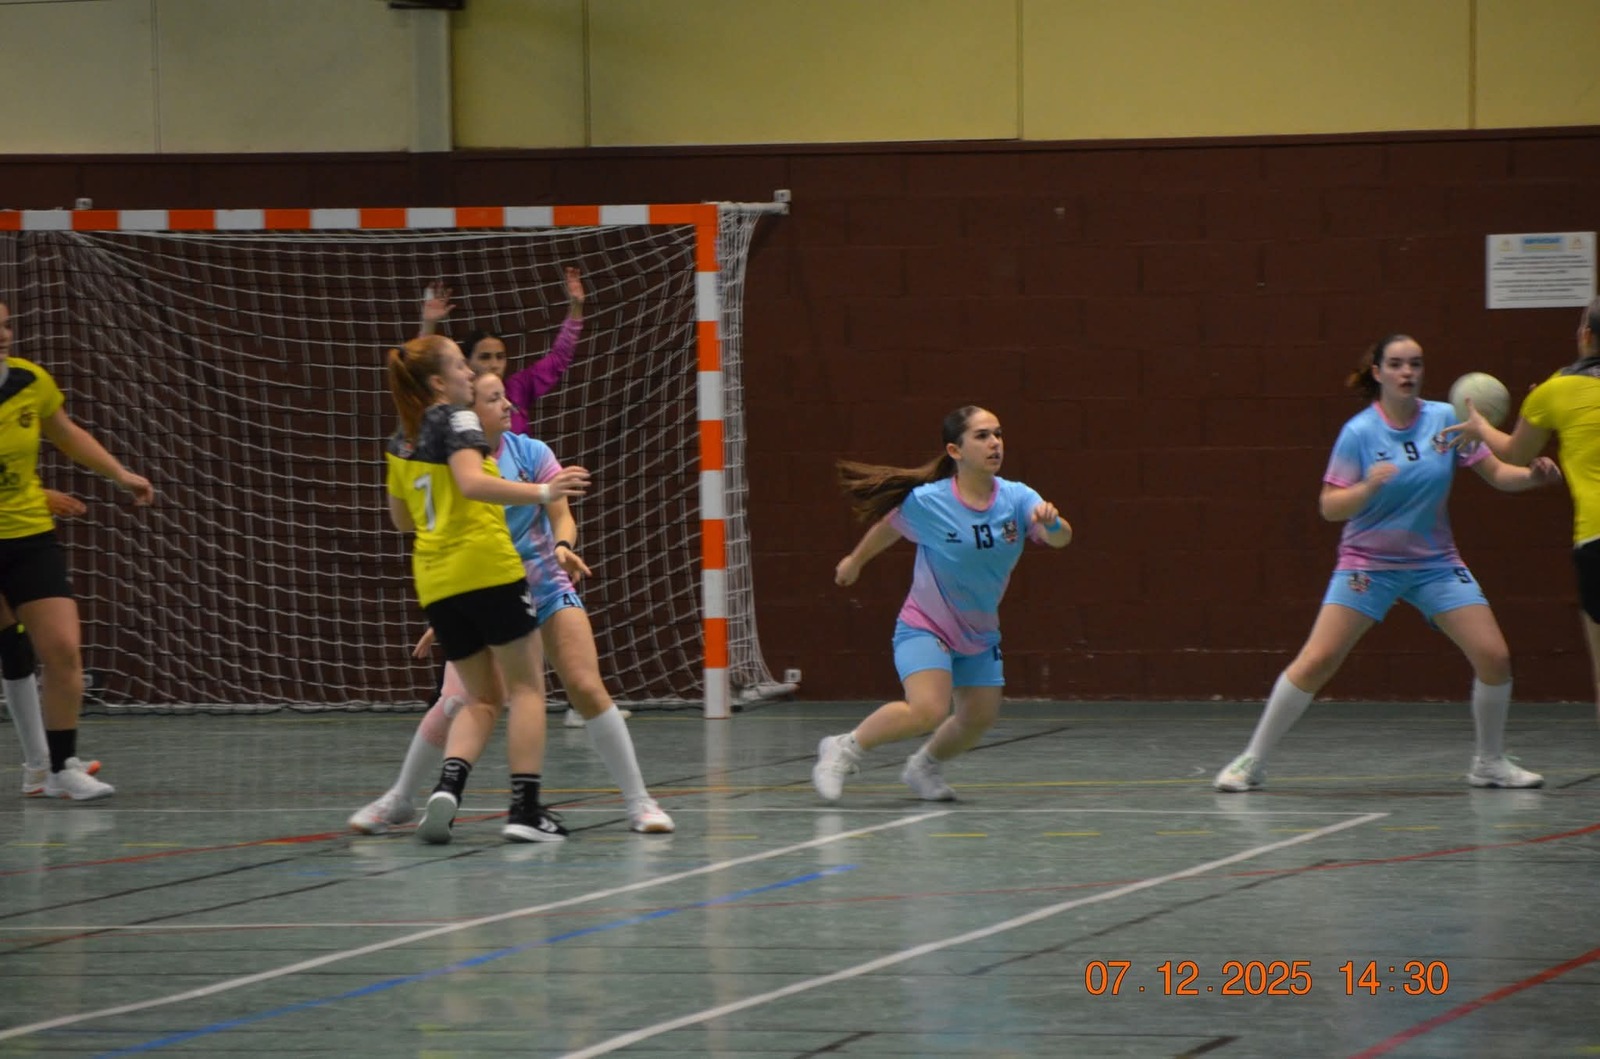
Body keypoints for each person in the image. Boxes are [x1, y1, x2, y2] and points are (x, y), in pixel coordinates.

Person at [1215, 334, 1560, 794]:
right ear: (1378, 372)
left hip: (1435, 564)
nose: (1407, 373)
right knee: (1317, 660)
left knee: (1494, 657)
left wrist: (1532, 476)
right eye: (1396, 364)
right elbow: (1329, 507)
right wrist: (1367, 488)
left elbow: (1497, 473)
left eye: (1415, 364)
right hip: (1368, 565)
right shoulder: (1359, 433)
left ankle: (1489, 763)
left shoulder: (1445, 418)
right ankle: (1251, 761)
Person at [351, 371, 673, 835]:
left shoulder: (530, 452)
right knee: (456, 699)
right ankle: (399, 799)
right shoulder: (454, 465)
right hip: (490, 593)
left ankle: (640, 802)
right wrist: (451, 611)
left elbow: (561, 514)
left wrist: (562, 546)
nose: (508, 405)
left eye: (505, 396)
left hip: (544, 587)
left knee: (585, 685)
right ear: (468, 412)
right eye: (494, 398)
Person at [384, 334, 589, 843]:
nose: (470, 374)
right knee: (527, 690)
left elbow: (402, 519)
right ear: (438, 382)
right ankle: (525, 810)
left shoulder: (402, 437)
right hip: (487, 567)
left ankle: (448, 788)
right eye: (461, 366)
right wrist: (545, 490)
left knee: (481, 697)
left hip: (436, 581)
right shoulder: (459, 420)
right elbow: (473, 483)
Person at [812, 406, 1072, 802]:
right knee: (928, 710)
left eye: (998, 434)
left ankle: (924, 766)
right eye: (982, 436)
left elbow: (1061, 538)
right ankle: (843, 748)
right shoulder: (929, 501)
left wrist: (1052, 523)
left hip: (979, 632)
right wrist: (855, 561)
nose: (995, 443)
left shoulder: (1019, 498)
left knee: (978, 718)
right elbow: (888, 527)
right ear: (955, 450)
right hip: (926, 625)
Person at [419, 271, 613, 730]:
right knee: (466, 701)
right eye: (482, 359)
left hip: (533, 558)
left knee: (572, 686)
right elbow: (422, 384)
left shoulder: (528, 441)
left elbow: (558, 361)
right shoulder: (456, 451)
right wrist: (428, 327)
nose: (503, 399)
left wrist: (576, 310)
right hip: (485, 568)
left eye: (499, 358)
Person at [0, 300, 153, 800]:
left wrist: (120, 475)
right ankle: (36, 764)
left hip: (29, 537)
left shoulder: (30, 381)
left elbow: (66, 433)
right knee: (10, 646)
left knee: (63, 648)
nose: (3, 335)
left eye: (5, 325)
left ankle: (61, 767)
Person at [1445, 296, 1600, 720]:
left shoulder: (1554, 391)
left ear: (1586, 335)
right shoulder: (1553, 391)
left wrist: (1481, 427)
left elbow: (1515, 454)